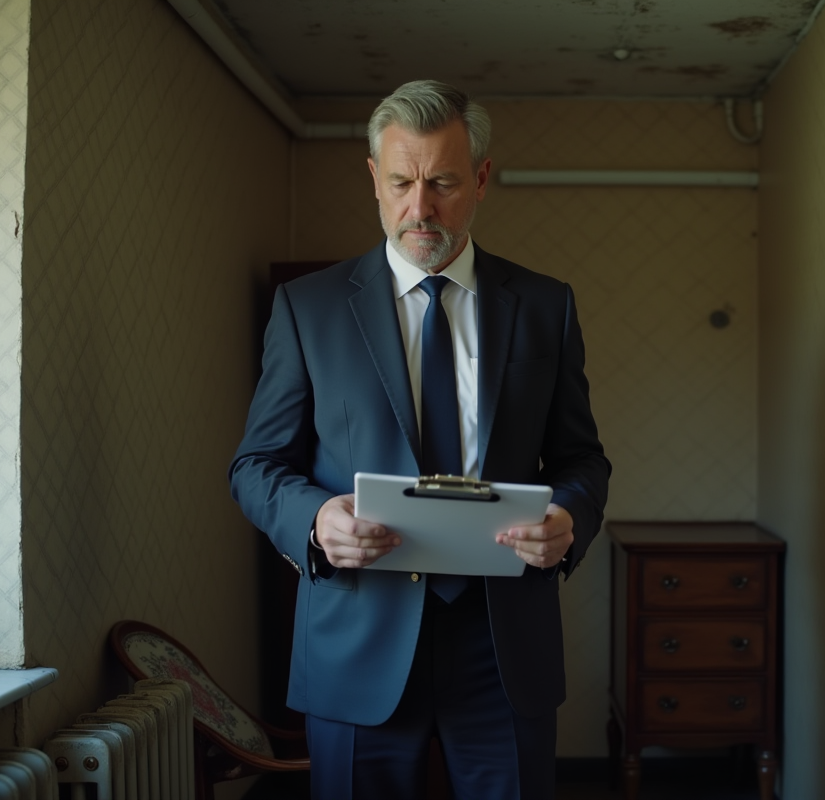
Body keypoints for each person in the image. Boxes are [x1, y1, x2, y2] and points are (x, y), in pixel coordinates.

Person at [228, 79, 610, 799]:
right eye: (401, 182)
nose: (420, 208)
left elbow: (581, 458)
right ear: (374, 179)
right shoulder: (306, 309)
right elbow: (255, 465)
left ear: (482, 180)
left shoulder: (544, 307)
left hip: (503, 647)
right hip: (354, 637)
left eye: (442, 182)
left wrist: (568, 518)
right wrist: (314, 519)